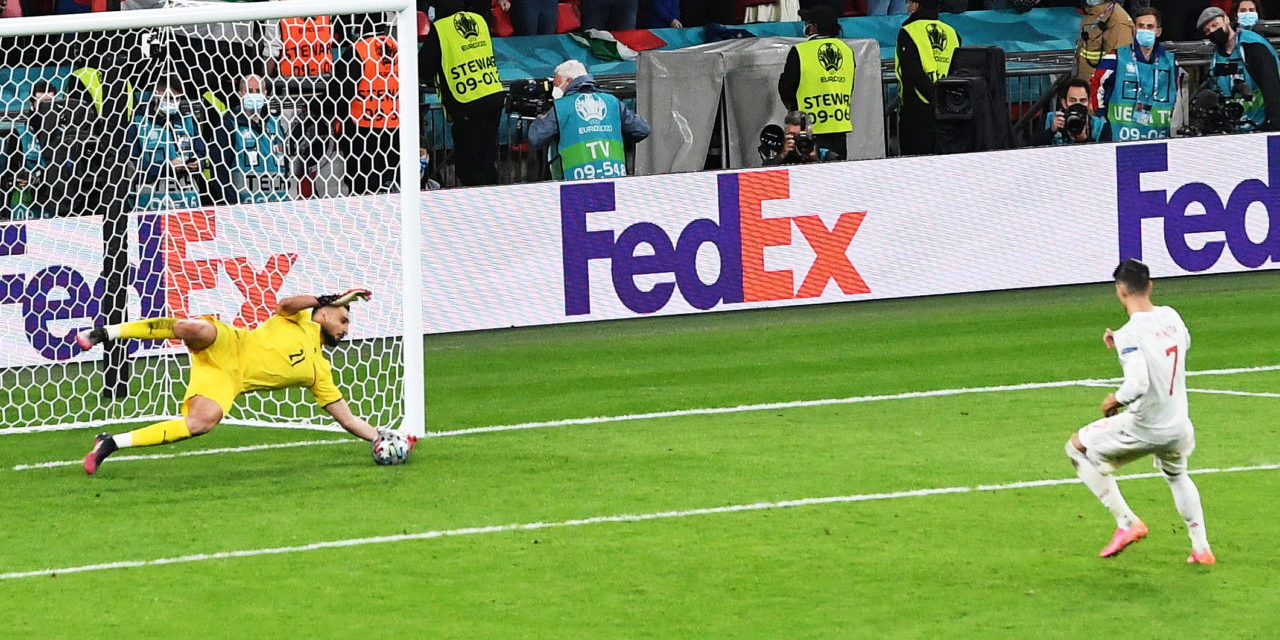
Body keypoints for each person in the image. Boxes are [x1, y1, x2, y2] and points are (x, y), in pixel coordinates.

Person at [76, 289, 408, 475]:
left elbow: (347, 419)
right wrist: (325, 298)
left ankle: (110, 443)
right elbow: (284, 304)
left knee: (200, 423)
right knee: (195, 329)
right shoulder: (299, 321)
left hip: (228, 378)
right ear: (323, 314)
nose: (347, 328)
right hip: (230, 342)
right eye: (344, 318)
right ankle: (105, 332)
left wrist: (381, 437)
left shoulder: (320, 371)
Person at [1065, 259, 1215, 565]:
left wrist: (1113, 400)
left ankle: (1127, 522)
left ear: (1120, 292)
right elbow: (1181, 343)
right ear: (1150, 286)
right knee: (1177, 476)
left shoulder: (1130, 335)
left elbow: (1137, 383)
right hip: (1177, 425)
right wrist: (1121, 338)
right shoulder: (1170, 316)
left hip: (1146, 426)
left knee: (1076, 448)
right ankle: (1201, 549)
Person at [420, 0, 506, 186]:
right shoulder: (479, 20)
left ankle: (480, 210)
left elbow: (424, 68)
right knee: (487, 161)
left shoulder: (441, 28)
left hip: (468, 103)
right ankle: (494, 205)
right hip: (493, 96)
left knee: (469, 166)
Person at [529, 59, 650, 180]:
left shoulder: (561, 106)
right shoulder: (612, 101)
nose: (555, 89)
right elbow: (642, 129)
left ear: (569, 81)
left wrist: (541, 116)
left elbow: (536, 137)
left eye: (556, 84)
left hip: (577, 182)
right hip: (615, 180)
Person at [1093, 7, 1185, 141]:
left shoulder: (1170, 63)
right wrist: (1102, 118)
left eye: (1150, 26)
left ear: (1158, 32)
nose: (1145, 30)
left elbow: (1176, 97)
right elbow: (1096, 85)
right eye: (1141, 26)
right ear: (1134, 29)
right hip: (1119, 137)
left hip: (1158, 137)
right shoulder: (1115, 57)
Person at [778, 5, 854, 160]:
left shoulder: (800, 51)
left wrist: (794, 110)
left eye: (807, 22)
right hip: (838, 125)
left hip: (807, 129)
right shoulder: (847, 51)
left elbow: (786, 88)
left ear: (813, 27)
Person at [340, 22, 402, 195]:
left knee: (363, 189)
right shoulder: (399, 47)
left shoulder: (358, 50)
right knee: (391, 187)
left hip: (362, 133)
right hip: (394, 130)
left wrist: (316, 108)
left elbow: (340, 91)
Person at [128, 77, 207, 211]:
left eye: (177, 99)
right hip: (151, 205)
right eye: (170, 98)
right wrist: (167, 168)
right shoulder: (139, 123)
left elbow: (202, 154)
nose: (174, 103)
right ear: (157, 94)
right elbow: (131, 166)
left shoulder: (188, 121)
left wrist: (198, 163)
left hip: (188, 203)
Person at [213, 74, 293, 204]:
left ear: (265, 93)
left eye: (258, 91)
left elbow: (285, 163)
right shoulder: (228, 125)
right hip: (244, 210)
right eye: (249, 91)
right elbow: (219, 171)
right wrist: (233, 205)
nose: (254, 95)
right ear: (240, 94)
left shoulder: (276, 124)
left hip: (277, 207)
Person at [894, 0, 960, 156]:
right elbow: (958, 70)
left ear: (916, 5)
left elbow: (913, 72)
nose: (907, 8)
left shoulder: (908, 31)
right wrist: (944, 100)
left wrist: (934, 96)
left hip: (916, 110)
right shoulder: (952, 33)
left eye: (909, 3)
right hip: (948, 108)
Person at [1199, 5, 1280, 132]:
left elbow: (1272, 86)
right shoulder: (1217, 57)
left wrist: (1274, 126)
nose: (1212, 32)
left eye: (1215, 25)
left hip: (1262, 125)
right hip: (1235, 130)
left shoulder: (1253, 45)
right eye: (1207, 31)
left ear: (1226, 19)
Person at [1034, 78, 1111, 145]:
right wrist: (1051, 131)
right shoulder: (1048, 119)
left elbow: (1104, 158)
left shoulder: (1100, 127)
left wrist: (1084, 140)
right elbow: (1030, 149)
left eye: (1082, 101)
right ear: (1064, 103)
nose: (1078, 104)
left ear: (1089, 103)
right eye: (1073, 101)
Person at [1075, 0, 1134, 81]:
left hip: (1099, 88)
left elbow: (1121, 67)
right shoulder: (1093, 13)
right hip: (1086, 83)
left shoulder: (1118, 22)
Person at [761, 111, 843, 165]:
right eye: (793, 135)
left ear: (811, 135)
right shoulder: (781, 158)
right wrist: (782, 155)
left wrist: (815, 160)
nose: (798, 140)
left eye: (802, 135)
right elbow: (765, 177)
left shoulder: (827, 157)